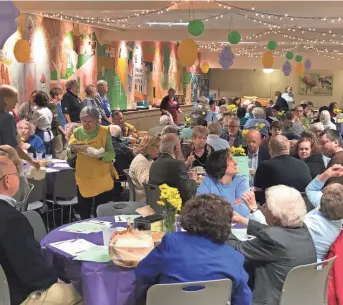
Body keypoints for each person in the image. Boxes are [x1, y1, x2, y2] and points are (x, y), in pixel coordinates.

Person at [135, 194, 252, 305]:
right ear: (226, 224)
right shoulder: (235, 258)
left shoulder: (171, 243)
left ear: (189, 216)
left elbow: (142, 274)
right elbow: (243, 300)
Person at [0, 156, 82, 305]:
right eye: (17, 173)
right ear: (7, 181)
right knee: (86, 291)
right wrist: (54, 280)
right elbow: (32, 270)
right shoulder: (10, 218)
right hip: (15, 296)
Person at [229, 185, 316, 305]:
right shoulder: (302, 229)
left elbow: (237, 248)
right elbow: (272, 232)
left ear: (274, 218)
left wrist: (221, 226)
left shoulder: (273, 237)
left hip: (270, 300)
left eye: (265, 207)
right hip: (299, 297)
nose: (262, 208)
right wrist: (243, 221)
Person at [68, 106, 116, 219]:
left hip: (101, 176)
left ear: (96, 121)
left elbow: (111, 154)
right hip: (84, 176)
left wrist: (100, 156)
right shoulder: (77, 132)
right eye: (84, 121)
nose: (87, 124)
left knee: (100, 210)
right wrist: (73, 150)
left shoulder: (104, 131)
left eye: (90, 121)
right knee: (84, 210)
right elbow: (69, 152)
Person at [254, 135, 312, 204]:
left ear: (271, 151)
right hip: (302, 207)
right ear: (289, 149)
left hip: (279, 208)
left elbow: (258, 190)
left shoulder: (265, 166)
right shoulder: (303, 164)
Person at [197, 149, 250, 217]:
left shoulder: (241, 182)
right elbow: (199, 207)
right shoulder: (208, 181)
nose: (236, 162)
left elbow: (243, 211)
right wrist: (231, 204)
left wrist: (215, 206)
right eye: (230, 159)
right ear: (220, 164)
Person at [149, 133, 197, 204]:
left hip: (157, 206)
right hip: (174, 208)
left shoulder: (154, 164)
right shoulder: (177, 164)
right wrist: (193, 180)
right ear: (176, 148)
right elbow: (188, 194)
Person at [0, 85, 40, 169]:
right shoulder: (7, 118)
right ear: (6, 100)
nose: (17, 101)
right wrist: (31, 161)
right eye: (15, 98)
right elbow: (12, 146)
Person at [129, 136, 161, 202]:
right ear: (148, 146)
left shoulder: (147, 159)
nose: (159, 150)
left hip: (147, 195)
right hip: (144, 199)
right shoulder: (141, 161)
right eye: (157, 147)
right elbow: (146, 183)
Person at [48, 90, 66, 159]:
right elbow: (55, 121)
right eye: (60, 94)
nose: (62, 95)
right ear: (56, 96)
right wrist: (64, 132)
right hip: (56, 132)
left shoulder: (57, 104)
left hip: (59, 131)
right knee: (58, 152)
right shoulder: (52, 105)